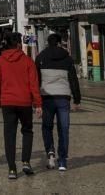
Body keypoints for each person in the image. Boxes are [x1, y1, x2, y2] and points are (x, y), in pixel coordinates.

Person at [0, 32, 42, 180]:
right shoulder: (28, 61)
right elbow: (34, 84)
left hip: (7, 102)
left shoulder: (0, 61)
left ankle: (12, 169)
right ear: (19, 44)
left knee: (9, 135)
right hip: (25, 102)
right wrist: (38, 103)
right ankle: (26, 161)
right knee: (27, 131)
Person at [35, 33, 81, 171]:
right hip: (63, 97)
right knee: (64, 128)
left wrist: (36, 101)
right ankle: (62, 161)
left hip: (47, 97)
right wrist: (77, 99)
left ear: (48, 43)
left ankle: (50, 152)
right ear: (59, 43)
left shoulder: (40, 57)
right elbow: (73, 79)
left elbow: (35, 80)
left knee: (47, 127)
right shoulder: (67, 58)